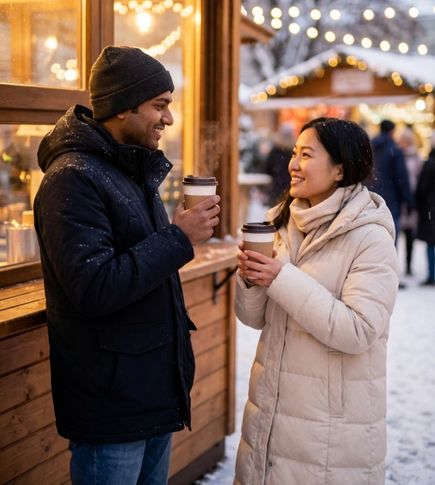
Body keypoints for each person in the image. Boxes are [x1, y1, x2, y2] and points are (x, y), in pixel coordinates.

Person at [33, 46, 220, 484]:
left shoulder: (129, 171)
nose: (168, 119)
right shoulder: (73, 179)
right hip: (112, 407)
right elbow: (95, 287)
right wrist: (180, 237)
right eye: (160, 106)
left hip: (150, 396)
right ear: (123, 107)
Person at [234, 117, 399, 485]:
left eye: (306, 155)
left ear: (340, 169)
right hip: (270, 418)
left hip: (330, 434)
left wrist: (280, 277)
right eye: (294, 153)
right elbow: (254, 318)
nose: (293, 164)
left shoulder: (369, 237)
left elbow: (359, 330)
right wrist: (251, 278)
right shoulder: (281, 223)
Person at [367, 119, 413, 288]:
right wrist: (409, 200)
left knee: (370, 239)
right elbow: (402, 178)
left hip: (370, 199)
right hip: (390, 201)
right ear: (392, 131)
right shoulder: (394, 150)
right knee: (390, 240)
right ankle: (389, 278)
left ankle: (373, 276)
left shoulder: (369, 148)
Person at [398, 127, 423, 275]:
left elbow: (420, 178)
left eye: (405, 141)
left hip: (411, 199)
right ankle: (396, 265)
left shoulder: (416, 157)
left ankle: (408, 265)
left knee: (409, 235)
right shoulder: (396, 155)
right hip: (399, 199)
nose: (403, 144)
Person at [415, 132, 435, 286]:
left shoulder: (430, 163)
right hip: (430, 207)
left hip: (431, 208)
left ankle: (432, 275)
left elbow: (422, 187)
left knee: (431, 243)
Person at [265, 123, 295, 206]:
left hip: (277, 186)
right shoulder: (294, 151)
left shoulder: (275, 150)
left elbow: (268, 168)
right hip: (290, 186)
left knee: (275, 212)